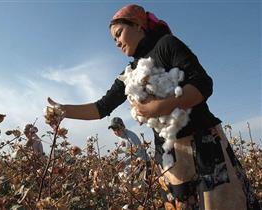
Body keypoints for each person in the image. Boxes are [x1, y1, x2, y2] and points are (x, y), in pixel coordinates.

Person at [47, 4, 259, 210]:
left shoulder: (167, 45)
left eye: (119, 34)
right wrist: (63, 110)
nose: (117, 43)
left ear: (138, 25)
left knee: (223, 203)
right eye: (113, 39)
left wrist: (161, 107)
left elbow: (203, 83)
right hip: (170, 157)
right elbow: (101, 107)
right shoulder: (129, 73)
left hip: (203, 144)